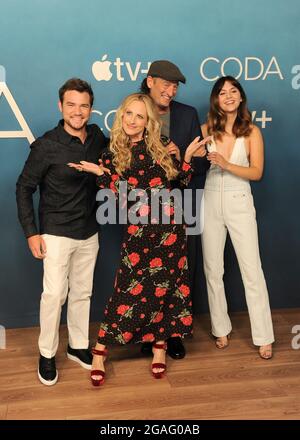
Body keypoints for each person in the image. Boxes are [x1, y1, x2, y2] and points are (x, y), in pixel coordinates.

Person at [68, 93, 210, 385]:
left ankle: (159, 349)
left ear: (148, 123)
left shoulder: (159, 146)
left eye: (140, 116)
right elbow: (125, 195)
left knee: (167, 292)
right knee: (127, 293)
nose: (132, 120)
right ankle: (100, 352)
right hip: (139, 234)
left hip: (171, 231)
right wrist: (101, 173)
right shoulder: (111, 153)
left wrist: (184, 158)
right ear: (121, 115)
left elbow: (179, 181)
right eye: (128, 114)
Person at [16, 78, 107, 385]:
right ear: (61, 106)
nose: (77, 112)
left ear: (91, 109)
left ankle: (78, 346)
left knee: (83, 293)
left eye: (83, 106)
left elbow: (120, 163)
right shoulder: (46, 145)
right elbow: (24, 187)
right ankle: (46, 354)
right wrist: (32, 232)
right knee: (54, 295)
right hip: (55, 231)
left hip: (89, 230)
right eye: (71, 105)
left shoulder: (97, 138)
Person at [139, 59, 210, 359]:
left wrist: (183, 158)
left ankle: (174, 333)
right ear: (150, 81)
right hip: (144, 206)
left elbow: (203, 162)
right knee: (146, 271)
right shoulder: (134, 109)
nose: (171, 90)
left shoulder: (188, 114)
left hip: (182, 205)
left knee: (182, 270)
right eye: (166, 83)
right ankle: (147, 333)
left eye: (175, 86)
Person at [201, 76, 274, 359]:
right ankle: (221, 327)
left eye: (233, 91)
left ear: (241, 97)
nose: (228, 96)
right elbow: (190, 162)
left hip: (239, 199)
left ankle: (264, 336)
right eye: (222, 92)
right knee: (213, 269)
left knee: (251, 270)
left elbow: (256, 173)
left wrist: (227, 164)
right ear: (216, 100)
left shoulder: (252, 132)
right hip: (209, 199)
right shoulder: (206, 129)